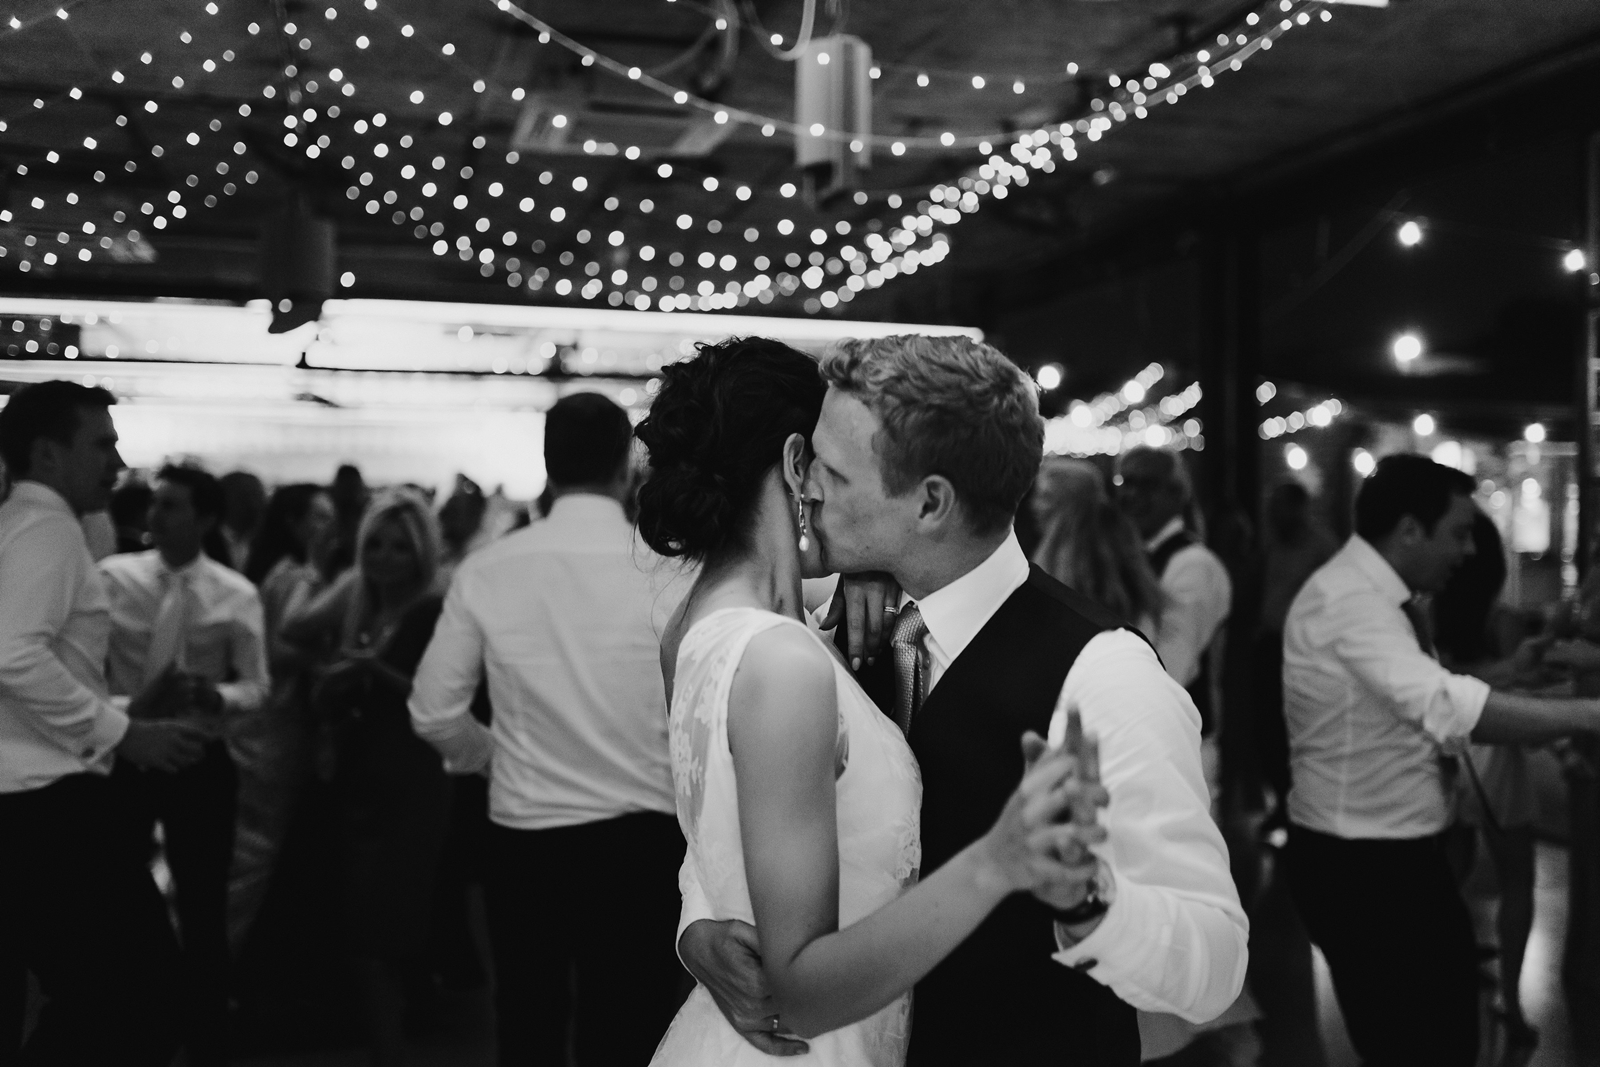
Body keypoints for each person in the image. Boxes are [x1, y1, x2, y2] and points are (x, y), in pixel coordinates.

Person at [678, 336, 1248, 1066]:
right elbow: (739, 802)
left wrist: (1089, 904)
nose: (806, 484)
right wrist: (699, 924)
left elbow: (1218, 961)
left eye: (835, 472)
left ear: (930, 502)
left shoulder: (1105, 676)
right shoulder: (828, 629)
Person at [638, 337, 1097, 1067]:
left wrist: (696, 930)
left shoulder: (692, 629)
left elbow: (722, 839)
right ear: (795, 463)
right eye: (831, 462)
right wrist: (996, 861)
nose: (834, 489)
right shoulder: (781, 658)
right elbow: (802, 987)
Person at [1282, 453, 1600, 1067]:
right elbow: (1441, 700)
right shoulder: (1348, 601)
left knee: (1441, 1036)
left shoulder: (1375, 595)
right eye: (1457, 533)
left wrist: (1508, 672)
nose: (1468, 551)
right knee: (1426, 1046)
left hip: (1388, 860)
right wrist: (1590, 715)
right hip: (1364, 867)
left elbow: (1406, 688)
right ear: (1408, 530)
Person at [409, 392, 689, 1067]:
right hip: (643, 841)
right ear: (628, 463)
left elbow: (433, 711)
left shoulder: (489, 567)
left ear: (546, 461)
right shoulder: (670, 570)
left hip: (526, 839)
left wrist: (493, 757)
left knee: (528, 1021)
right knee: (627, 1024)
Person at [0, 380, 209, 1065]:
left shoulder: (25, 526)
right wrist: (127, 732)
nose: (118, 460)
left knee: (113, 997)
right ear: (47, 453)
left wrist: (121, 710)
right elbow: (11, 651)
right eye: (103, 442)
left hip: (34, 796)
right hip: (49, 804)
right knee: (141, 998)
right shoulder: (49, 527)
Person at [100, 464, 270, 1067]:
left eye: (172, 506)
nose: (157, 515)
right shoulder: (112, 580)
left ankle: (205, 1037)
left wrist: (215, 696)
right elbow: (82, 680)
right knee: (117, 888)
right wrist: (128, 714)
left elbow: (258, 687)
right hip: (125, 751)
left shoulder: (235, 592)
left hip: (200, 757)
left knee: (203, 902)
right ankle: (131, 1015)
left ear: (206, 518)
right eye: (156, 504)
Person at [282, 490, 452, 1067]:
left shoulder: (433, 611)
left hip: (410, 785)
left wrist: (369, 670)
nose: (383, 558)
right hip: (358, 780)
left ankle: (394, 1049)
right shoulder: (359, 600)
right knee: (365, 931)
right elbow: (293, 634)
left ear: (421, 554)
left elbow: (443, 703)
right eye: (374, 545)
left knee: (380, 933)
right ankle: (391, 1042)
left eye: (399, 547)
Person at [1432, 511, 1540, 1063]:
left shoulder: (1426, 613)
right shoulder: (1504, 621)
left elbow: (1434, 687)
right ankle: (1512, 1000)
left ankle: (1440, 980)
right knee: (1518, 876)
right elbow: (1518, 692)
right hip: (1496, 748)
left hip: (1449, 749)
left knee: (1446, 875)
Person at [229, 483, 339, 949]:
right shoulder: (300, 578)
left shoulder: (271, 568)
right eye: (318, 517)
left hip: (256, 724)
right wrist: (331, 656)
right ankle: (222, 958)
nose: (328, 527)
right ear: (294, 524)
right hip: (279, 727)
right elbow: (279, 649)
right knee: (257, 853)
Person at [1116, 446, 1232, 733]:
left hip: (1179, 741)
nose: (1132, 495)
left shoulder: (1193, 564)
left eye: (1147, 485)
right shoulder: (1136, 557)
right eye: (1125, 483)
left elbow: (1168, 667)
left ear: (1176, 494)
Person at [1254, 483, 1337, 822]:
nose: (1272, 514)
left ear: (1299, 508)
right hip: (1271, 644)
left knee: (1293, 726)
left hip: (1301, 650)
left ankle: (1297, 803)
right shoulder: (1275, 542)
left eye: (1279, 506)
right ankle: (1281, 798)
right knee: (1268, 728)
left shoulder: (1322, 547)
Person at [1030, 456, 1162, 637]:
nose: (1035, 506)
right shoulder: (1122, 549)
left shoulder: (1073, 566)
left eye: (1046, 497)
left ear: (1070, 501)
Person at [218, 471, 266, 572]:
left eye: (259, 497)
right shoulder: (205, 539)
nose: (255, 505)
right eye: (246, 496)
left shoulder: (266, 541)